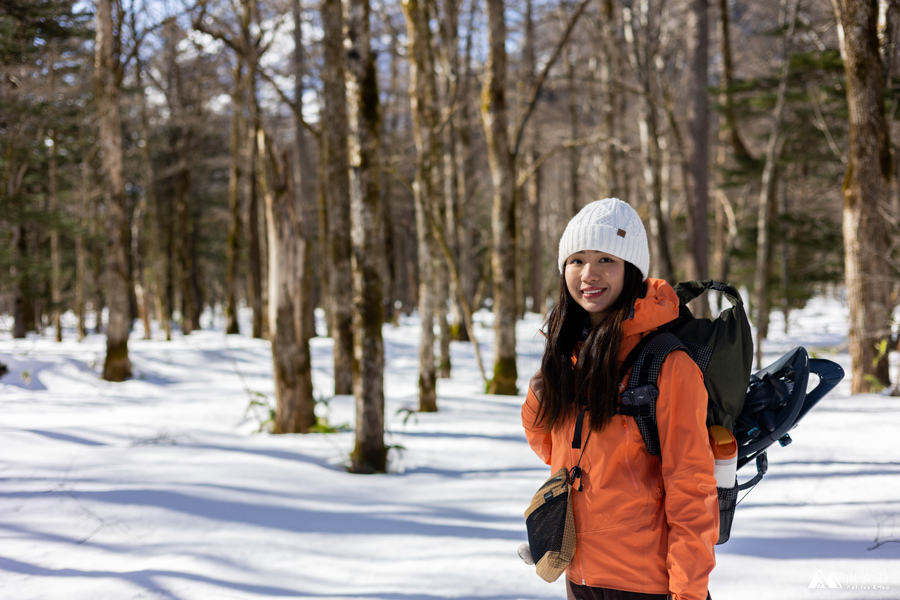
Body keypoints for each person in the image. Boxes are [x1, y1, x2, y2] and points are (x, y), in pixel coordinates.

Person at [522, 198, 718, 600]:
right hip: (578, 572)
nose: (588, 274)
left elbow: (691, 486)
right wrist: (538, 402)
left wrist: (688, 591)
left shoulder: (668, 361)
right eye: (576, 260)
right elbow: (553, 452)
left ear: (631, 271)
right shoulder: (570, 349)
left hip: (644, 583)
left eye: (606, 259)